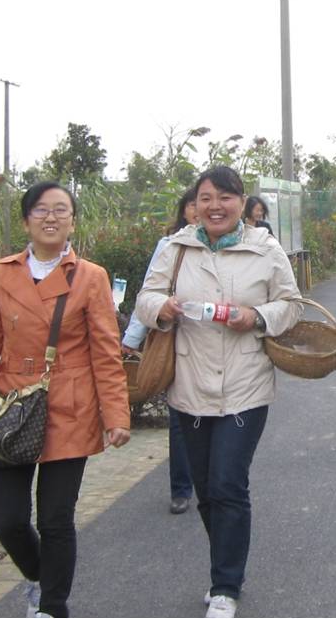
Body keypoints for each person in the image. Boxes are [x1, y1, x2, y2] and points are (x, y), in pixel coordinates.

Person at [0, 182, 131, 618]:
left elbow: (105, 353)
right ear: (25, 220)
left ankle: (53, 607)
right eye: (40, 210)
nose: (50, 217)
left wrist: (116, 414)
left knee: (55, 519)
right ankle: (40, 575)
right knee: (7, 520)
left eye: (60, 210)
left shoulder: (90, 276)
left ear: (72, 220)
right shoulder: (0, 273)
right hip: (11, 407)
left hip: (69, 408)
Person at [135, 166, 302, 618]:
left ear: (242, 202)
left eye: (225, 198)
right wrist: (163, 309)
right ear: (197, 202)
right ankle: (225, 567)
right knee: (207, 489)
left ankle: (226, 586)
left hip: (245, 384)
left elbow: (292, 304)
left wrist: (257, 318)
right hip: (189, 384)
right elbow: (145, 299)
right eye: (206, 198)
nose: (215, 206)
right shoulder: (177, 247)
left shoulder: (265, 249)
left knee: (228, 482)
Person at [122, 189, 197, 515]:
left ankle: (211, 480)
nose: (200, 210)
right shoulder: (169, 246)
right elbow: (148, 295)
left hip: (216, 347)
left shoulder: (234, 247)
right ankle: (181, 488)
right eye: (194, 204)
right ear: (184, 210)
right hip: (173, 342)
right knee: (179, 419)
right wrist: (133, 337)